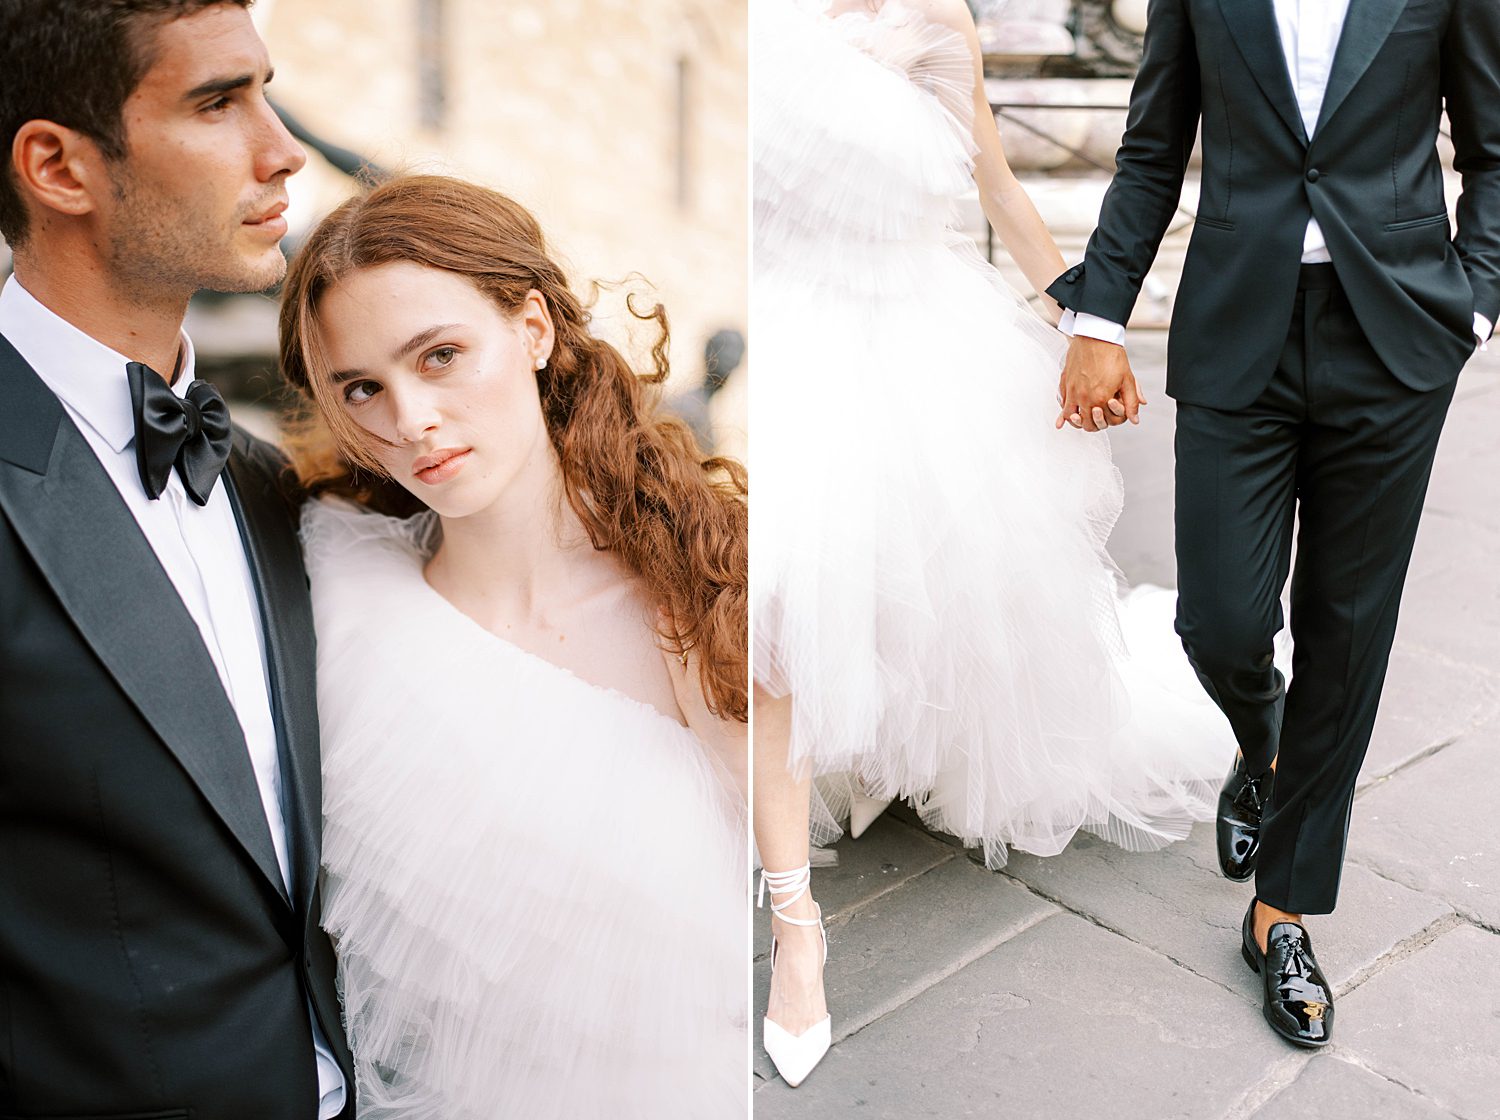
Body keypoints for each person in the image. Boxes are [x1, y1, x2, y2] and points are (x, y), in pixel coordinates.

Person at [750, 0, 1235, 1087]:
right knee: (772, 616)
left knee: (927, 596)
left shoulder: (938, 20)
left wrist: (1088, 318)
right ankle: (797, 925)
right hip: (781, 345)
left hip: (916, 340)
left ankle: (878, 756)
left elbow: (996, 183)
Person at [1047, 0, 1500, 1048]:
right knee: (1220, 620)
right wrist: (1099, 317)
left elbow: (1491, 148)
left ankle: (1281, 913)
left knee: (1348, 633)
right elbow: (1155, 144)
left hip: (1395, 339)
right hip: (1236, 331)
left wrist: (1471, 305)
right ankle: (1269, 742)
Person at [278, 174, 749, 1118]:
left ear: (533, 329)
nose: (409, 422)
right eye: (362, 388)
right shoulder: (337, 595)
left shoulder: (702, 594)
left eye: (441, 356)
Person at [0, 1, 352, 1115]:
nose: (283, 147)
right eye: (216, 102)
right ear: (59, 166)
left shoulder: (270, 482)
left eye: (265, 88)